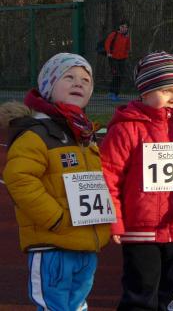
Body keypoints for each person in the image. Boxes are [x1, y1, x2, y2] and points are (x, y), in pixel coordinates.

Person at [101, 51, 173, 310]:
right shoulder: (125, 129)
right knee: (141, 293)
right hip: (140, 231)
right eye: (167, 91)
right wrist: (114, 219)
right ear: (145, 91)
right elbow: (109, 176)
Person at [1, 53, 111, 310]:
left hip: (85, 244)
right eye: (69, 77)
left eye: (85, 80)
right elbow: (19, 178)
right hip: (53, 244)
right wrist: (55, 218)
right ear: (48, 87)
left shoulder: (85, 134)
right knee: (54, 306)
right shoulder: (36, 133)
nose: (78, 83)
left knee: (77, 305)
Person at [105, 20, 131, 101]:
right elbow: (107, 43)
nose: (124, 28)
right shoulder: (114, 34)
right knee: (116, 75)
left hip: (122, 59)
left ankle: (112, 92)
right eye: (122, 26)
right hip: (113, 58)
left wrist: (126, 54)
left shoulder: (127, 37)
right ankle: (114, 94)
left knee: (120, 76)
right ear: (119, 27)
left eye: (126, 27)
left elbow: (128, 47)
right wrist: (108, 52)